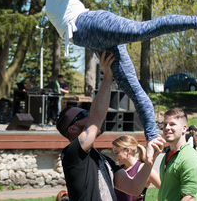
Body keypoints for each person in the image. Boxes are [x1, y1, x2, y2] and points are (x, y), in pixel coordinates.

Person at [35, 0, 197, 144]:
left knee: (141, 30)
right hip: (93, 39)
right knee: (134, 92)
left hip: (91, 26)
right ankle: (153, 137)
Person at [56, 51, 164, 201]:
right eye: (82, 115)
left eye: (87, 111)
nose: (88, 114)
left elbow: (133, 188)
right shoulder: (72, 154)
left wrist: (150, 161)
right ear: (72, 129)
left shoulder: (104, 160)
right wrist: (107, 76)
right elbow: (95, 119)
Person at [158, 108, 197, 201]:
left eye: (172, 124)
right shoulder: (168, 154)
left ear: (184, 128)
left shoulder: (189, 158)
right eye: (165, 124)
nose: (166, 127)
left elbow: (189, 197)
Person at [112, 135, 161, 201]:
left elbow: (166, 190)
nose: (114, 156)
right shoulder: (118, 170)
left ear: (127, 150)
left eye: (117, 152)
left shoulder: (144, 169)